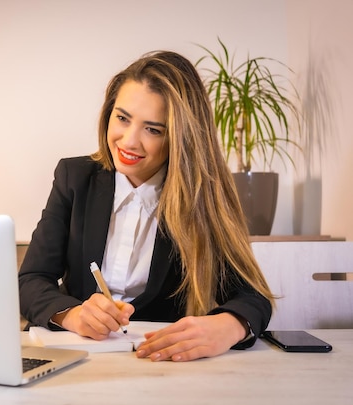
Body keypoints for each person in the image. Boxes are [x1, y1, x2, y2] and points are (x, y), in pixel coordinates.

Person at [18, 50, 275, 362]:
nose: (129, 141)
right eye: (123, 118)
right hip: (81, 362)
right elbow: (30, 280)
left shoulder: (201, 195)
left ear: (181, 138)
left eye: (153, 129)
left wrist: (228, 326)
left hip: (164, 367)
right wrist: (71, 314)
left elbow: (253, 297)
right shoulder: (74, 177)